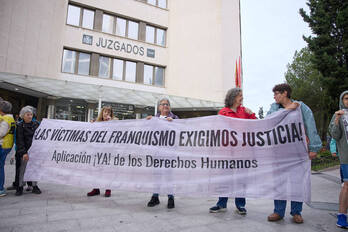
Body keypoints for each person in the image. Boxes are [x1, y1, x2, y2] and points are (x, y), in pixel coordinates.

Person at [266, 83, 322, 224]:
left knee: (297, 182)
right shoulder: (274, 107)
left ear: (285, 93)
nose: (274, 96)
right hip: (279, 152)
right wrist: (287, 110)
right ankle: (278, 212)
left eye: (276, 93)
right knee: (279, 183)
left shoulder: (301, 107)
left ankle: (296, 212)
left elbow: (310, 125)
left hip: (298, 152)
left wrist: (314, 147)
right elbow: (268, 121)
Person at [208, 88, 257, 215]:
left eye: (242, 95)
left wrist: (251, 114)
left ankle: (240, 205)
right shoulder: (223, 112)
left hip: (242, 152)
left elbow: (256, 126)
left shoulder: (244, 111)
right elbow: (217, 130)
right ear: (233, 97)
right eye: (240, 95)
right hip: (226, 152)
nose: (242, 97)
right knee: (224, 179)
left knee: (241, 179)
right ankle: (221, 204)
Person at [146, 97, 179, 209]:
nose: (165, 106)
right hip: (157, 152)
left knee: (169, 175)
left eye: (167, 104)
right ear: (159, 107)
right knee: (157, 175)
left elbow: (181, 130)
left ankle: (171, 197)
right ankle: (155, 197)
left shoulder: (174, 118)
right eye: (163, 104)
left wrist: (174, 123)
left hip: (169, 152)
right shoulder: (154, 118)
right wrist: (148, 122)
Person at [87, 106, 117, 197]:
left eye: (108, 112)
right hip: (97, 150)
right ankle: (96, 188)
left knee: (107, 170)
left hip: (108, 150)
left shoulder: (114, 122)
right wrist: (92, 124)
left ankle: (108, 189)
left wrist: (112, 122)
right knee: (96, 170)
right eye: (105, 112)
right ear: (102, 113)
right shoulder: (97, 122)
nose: (106, 114)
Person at [329, 90, 348, 228]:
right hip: (346, 158)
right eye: (346, 98)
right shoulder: (339, 115)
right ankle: (341, 217)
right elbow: (335, 136)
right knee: (346, 186)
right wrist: (336, 120)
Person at [15, 106, 41, 196]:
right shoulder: (20, 125)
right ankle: (20, 187)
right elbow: (20, 140)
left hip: (34, 151)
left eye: (31, 114)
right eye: (27, 115)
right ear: (23, 116)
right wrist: (23, 152)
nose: (30, 116)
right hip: (24, 151)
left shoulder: (36, 124)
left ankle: (34, 186)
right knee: (22, 170)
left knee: (34, 169)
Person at [0, 101, 15, 197]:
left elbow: (1, 133)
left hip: (2, 145)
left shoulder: (5, 119)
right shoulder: (11, 118)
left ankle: (0, 188)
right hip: (7, 145)